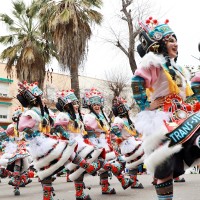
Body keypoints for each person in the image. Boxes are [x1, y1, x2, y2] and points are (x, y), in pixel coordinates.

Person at [131, 17, 200, 199]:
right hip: (161, 119)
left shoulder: (178, 69)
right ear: (160, 44)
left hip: (182, 116)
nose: (175, 44)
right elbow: (136, 81)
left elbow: (189, 93)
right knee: (165, 168)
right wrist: (147, 105)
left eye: (175, 39)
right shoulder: (154, 64)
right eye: (170, 40)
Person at [16, 81, 103, 200]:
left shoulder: (44, 111)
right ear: (34, 99)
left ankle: (55, 195)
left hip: (46, 141)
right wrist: (36, 134)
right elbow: (22, 127)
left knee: (48, 169)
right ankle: (87, 166)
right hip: (40, 143)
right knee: (65, 150)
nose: (43, 99)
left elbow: (54, 124)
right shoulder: (31, 113)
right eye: (40, 97)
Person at [54, 89, 105, 200]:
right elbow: (57, 126)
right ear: (67, 105)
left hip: (80, 142)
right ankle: (89, 168)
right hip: (68, 143)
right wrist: (67, 137)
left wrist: (91, 137)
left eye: (77, 103)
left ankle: (79, 194)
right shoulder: (63, 115)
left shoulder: (79, 116)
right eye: (73, 104)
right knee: (78, 164)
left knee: (97, 155)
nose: (76, 105)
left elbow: (85, 131)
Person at [83, 88, 133, 195]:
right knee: (108, 164)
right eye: (94, 104)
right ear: (90, 105)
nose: (96, 106)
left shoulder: (103, 115)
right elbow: (90, 134)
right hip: (96, 144)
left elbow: (107, 129)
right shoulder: (88, 116)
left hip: (106, 142)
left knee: (106, 166)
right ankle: (123, 181)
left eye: (98, 104)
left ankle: (105, 187)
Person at [110, 96, 144, 189]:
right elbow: (113, 130)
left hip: (131, 141)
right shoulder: (119, 120)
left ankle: (133, 181)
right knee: (137, 158)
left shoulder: (128, 120)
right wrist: (121, 137)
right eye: (127, 109)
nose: (128, 110)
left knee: (134, 162)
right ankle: (133, 181)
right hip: (127, 144)